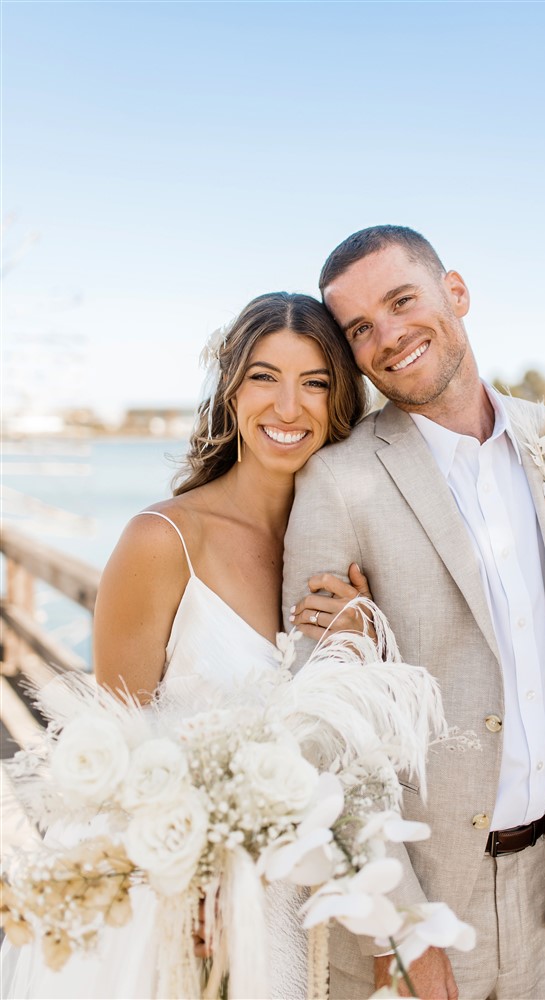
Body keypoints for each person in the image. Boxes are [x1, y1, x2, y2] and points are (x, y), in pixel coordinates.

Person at [283, 226, 545, 1000]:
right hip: (421, 902)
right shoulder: (335, 483)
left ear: (456, 292)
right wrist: (404, 924)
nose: (387, 337)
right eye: (358, 329)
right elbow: (327, 739)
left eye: (401, 300)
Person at [1, 291, 370, 1000]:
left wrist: (361, 641)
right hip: (176, 912)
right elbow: (110, 767)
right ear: (231, 391)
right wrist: (190, 884)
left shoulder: (343, 554)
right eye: (264, 376)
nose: (288, 406)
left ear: (341, 399)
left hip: (299, 907)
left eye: (315, 381)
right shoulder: (162, 540)